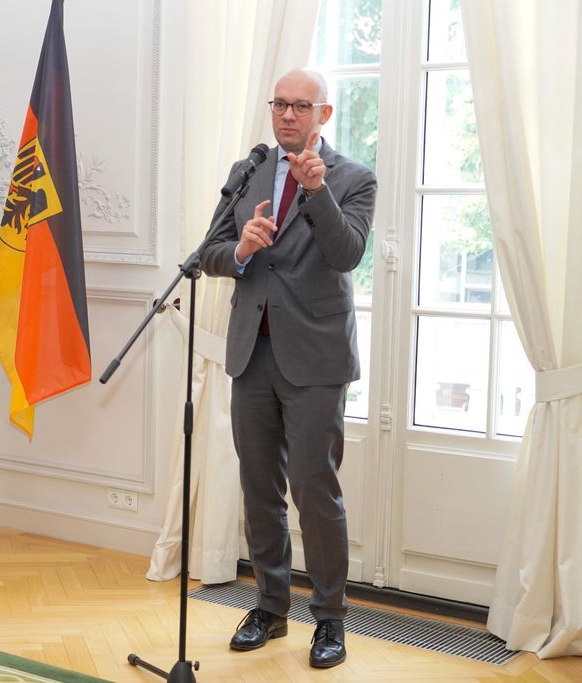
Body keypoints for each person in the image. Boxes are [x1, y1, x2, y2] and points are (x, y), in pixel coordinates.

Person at [200, 68, 377, 668]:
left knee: (314, 490)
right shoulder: (248, 170)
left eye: (301, 106)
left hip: (317, 359)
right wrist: (242, 248)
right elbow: (208, 253)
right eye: (280, 104)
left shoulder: (353, 178)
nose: (287, 115)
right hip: (252, 352)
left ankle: (329, 619)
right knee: (259, 488)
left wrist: (317, 192)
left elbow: (347, 253)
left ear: (323, 115)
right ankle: (270, 607)